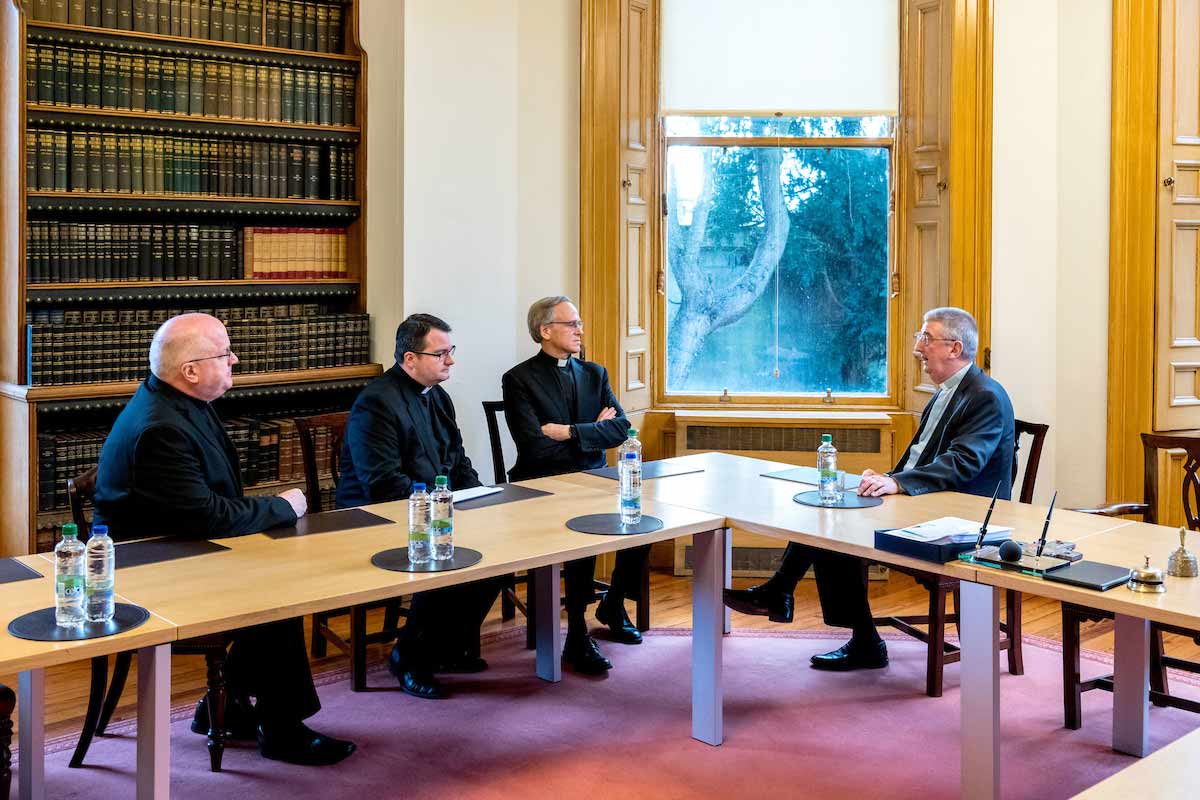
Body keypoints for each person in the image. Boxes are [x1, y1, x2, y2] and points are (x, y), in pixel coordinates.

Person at [93, 312, 355, 767]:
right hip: (150, 574)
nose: (234, 359)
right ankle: (282, 729)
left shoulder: (180, 401)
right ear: (190, 371)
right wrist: (282, 507)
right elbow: (207, 516)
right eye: (224, 353)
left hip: (183, 550)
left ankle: (228, 703)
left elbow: (210, 506)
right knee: (277, 595)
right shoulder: (161, 428)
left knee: (280, 581)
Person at [724, 306, 1015, 671]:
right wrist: (886, 478)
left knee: (837, 524)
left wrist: (897, 483)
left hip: (960, 519)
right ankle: (797, 601)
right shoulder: (946, 392)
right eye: (919, 338)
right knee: (829, 509)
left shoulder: (985, 396)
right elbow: (922, 457)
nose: (918, 348)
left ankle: (794, 600)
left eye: (926, 338)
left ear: (954, 348)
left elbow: (964, 462)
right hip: (927, 501)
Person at [337, 314, 503, 700]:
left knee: (498, 551)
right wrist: (443, 510)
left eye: (450, 351)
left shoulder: (438, 397)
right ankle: (409, 658)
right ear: (409, 359)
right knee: (445, 554)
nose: (451, 360)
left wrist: (483, 501)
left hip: (434, 508)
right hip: (377, 516)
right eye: (440, 353)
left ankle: (444, 648)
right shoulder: (377, 403)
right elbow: (382, 483)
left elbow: (458, 462)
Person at [502, 296, 645, 674]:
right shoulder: (518, 379)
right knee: (582, 527)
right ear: (545, 331)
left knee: (646, 523)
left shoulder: (595, 373)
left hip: (594, 479)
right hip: (542, 484)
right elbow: (534, 447)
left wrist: (569, 432)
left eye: (579, 323)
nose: (580, 330)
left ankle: (613, 603)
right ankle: (577, 633)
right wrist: (593, 430)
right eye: (571, 324)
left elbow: (621, 430)